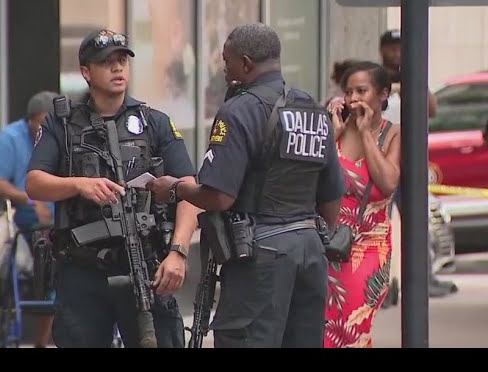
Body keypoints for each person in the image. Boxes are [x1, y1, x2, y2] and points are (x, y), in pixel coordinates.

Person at [147, 23, 345, 348]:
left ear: (247, 63)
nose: (224, 71)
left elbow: (220, 196)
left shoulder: (238, 111)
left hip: (261, 257)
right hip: (310, 253)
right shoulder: (312, 110)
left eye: (227, 62)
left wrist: (175, 188)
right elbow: (331, 198)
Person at [26, 28, 200, 348]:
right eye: (108, 62)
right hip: (83, 270)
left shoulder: (154, 122)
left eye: (122, 60)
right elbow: (34, 183)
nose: (118, 68)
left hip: (146, 262)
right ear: (86, 72)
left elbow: (190, 189)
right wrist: (79, 184)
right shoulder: (62, 125)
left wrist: (178, 252)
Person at [325, 61, 400, 348]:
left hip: (367, 248)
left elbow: (388, 182)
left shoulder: (393, 133)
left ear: (382, 94)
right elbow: (311, 177)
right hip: (327, 245)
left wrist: (367, 132)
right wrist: (334, 134)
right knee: (324, 328)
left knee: (352, 327)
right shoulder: (337, 129)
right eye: (348, 91)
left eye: (361, 90)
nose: (353, 98)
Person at [378, 29, 455, 300]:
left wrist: (413, 77)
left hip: (412, 163)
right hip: (382, 161)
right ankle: (381, 284)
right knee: (378, 225)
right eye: (392, 48)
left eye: (401, 47)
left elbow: (432, 108)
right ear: (383, 49)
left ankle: (424, 279)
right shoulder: (375, 79)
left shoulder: (413, 74)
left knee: (418, 224)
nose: (397, 53)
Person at [0, 91, 58, 348]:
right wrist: (31, 200)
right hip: (20, 224)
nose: (43, 129)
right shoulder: (11, 139)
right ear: (30, 120)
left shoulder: (63, 140)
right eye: (40, 123)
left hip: (58, 226)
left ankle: (41, 343)